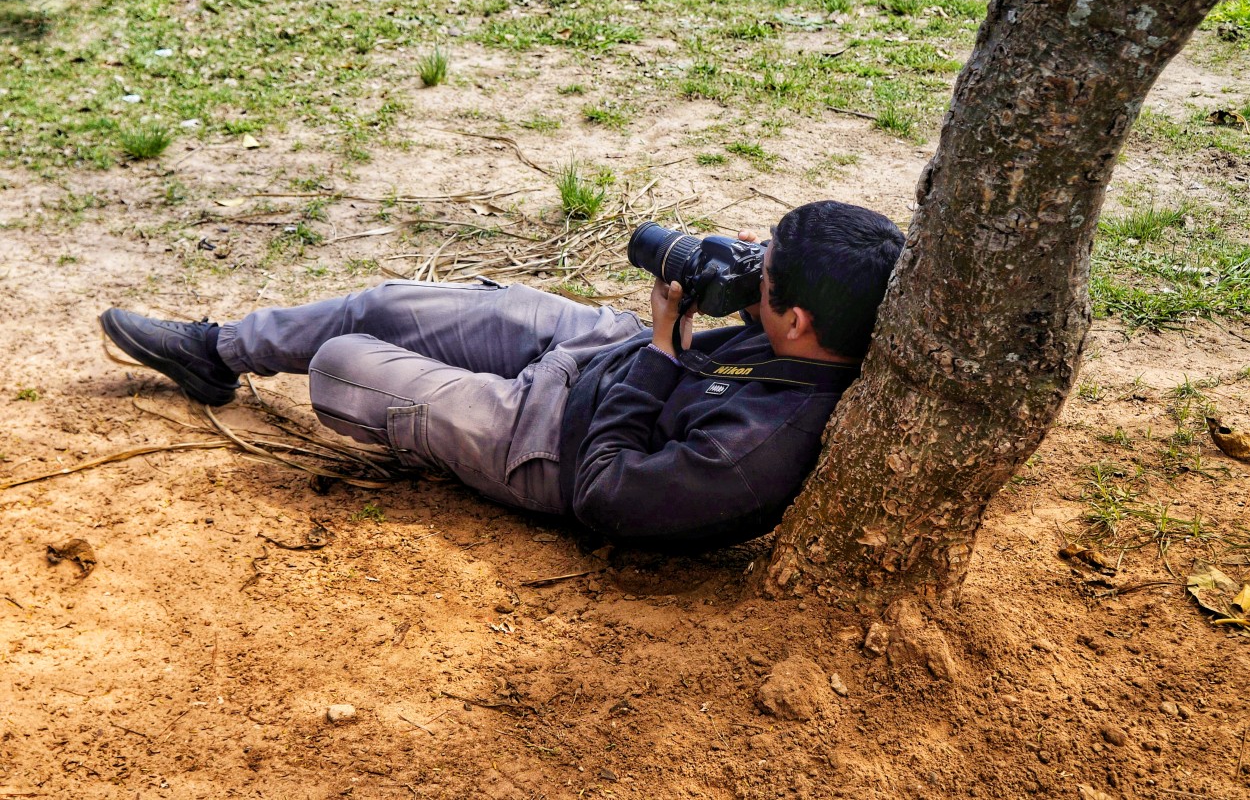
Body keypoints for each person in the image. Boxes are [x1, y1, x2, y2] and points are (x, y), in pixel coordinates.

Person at [100, 200, 905, 547]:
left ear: (797, 321)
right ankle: (219, 353)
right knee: (382, 304)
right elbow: (719, 340)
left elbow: (604, 491)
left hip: (546, 440)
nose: (754, 279)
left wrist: (664, 350)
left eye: (766, 284)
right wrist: (683, 318)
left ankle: (414, 413)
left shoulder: (751, 454)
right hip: (604, 348)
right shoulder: (823, 329)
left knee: (343, 365)